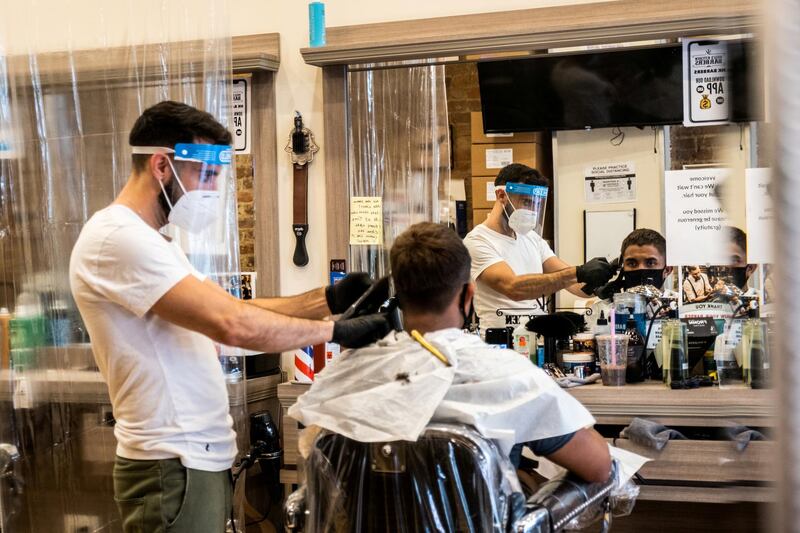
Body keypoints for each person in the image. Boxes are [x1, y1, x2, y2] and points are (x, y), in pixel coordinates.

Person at [69, 101, 391, 533]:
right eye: (206, 174)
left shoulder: (159, 243)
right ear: (162, 165)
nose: (214, 188)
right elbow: (232, 325)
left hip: (193, 460)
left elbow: (232, 311)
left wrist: (328, 300)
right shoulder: (118, 238)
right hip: (170, 462)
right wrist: (336, 331)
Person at [291, 222, 612, 484]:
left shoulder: (348, 375)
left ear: (398, 295)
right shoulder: (508, 376)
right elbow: (599, 468)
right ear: (469, 295)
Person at [463, 163, 615, 329]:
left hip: (535, 338)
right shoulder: (477, 241)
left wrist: (602, 285)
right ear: (501, 195)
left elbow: (572, 282)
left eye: (535, 204)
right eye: (526, 202)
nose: (532, 212)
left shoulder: (531, 238)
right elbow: (514, 288)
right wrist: (579, 272)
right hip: (502, 343)